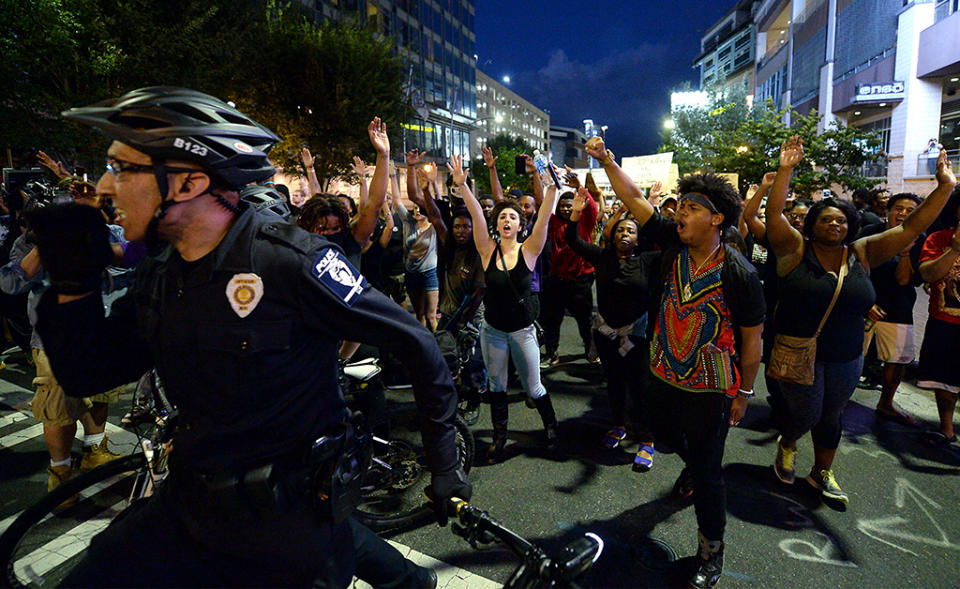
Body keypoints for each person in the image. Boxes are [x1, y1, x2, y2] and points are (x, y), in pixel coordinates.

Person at [33, 87, 469, 587]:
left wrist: (445, 465)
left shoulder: (292, 260)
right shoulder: (162, 272)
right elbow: (92, 371)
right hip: (191, 507)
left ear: (191, 182)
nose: (106, 186)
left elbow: (417, 341)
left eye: (122, 168)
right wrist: (72, 285)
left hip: (289, 533)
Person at [586, 136, 764, 589]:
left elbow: (752, 339)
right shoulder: (671, 246)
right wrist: (606, 158)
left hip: (711, 391)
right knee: (662, 436)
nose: (679, 213)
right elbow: (630, 197)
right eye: (679, 205)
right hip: (662, 374)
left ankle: (711, 555)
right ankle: (697, 461)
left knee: (708, 476)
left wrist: (743, 392)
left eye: (690, 207)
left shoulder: (738, 272)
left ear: (717, 219)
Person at [766, 137, 956, 505]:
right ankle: (788, 442)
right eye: (826, 219)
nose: (834, 224)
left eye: (841, 220)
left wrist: (945, 186)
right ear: (812, 225)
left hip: (847, 353)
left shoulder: (862, 253)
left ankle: (822, 472)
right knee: (806, 412)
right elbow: (774, 216)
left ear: (850, 225)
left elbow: (913, 228)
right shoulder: (794, 251)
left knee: (832, 413)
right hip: (798, 348)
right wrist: (785, 171)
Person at [0, 179, 127, 505]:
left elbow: (125, 252)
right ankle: (60, 474)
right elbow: (12, 283)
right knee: (59, 409)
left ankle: (96, 450)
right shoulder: (26, 243)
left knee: (100, 395)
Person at [447, 153, 561, 462]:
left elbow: (547, 215)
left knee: (533, 386)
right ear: (496, 225)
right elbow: (475, 213)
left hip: (523, 332)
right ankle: (499, 439)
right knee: (496, 386)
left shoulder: (531, 249)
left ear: (521, 225)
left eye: (512, 217)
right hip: (493, 331)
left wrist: (551, 187)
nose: (506, 220)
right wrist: (463, 186)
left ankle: (551, 429)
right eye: (502, 218)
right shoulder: (487, 249)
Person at [564, 182, 658, 472]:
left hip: (637, 336)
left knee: (640, 387)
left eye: (630, 230)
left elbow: (668, 240)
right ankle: (619, 425)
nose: (624, 233)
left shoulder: (649, 261)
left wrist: (649, 206)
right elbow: (573, 240)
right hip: (606, 335)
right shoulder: (603, 257)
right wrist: (576, 214)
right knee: (614, 383)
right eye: (620, 230)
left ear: (639, 239)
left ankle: (647, 440)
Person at [857, 193, 925, 426]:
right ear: (888, 210)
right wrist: (865, 303)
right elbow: (856, 268)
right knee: (850, 354)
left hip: (898, 307)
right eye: (899, 208)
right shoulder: (870, 232)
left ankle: (886, 404)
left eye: (911, 210)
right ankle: (835, 401)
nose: (904, 214)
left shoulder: (919, 238)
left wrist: (905, 251)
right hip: (864, 305)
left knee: (897, 361)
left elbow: (905, 280)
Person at [916, 189, 960, 447]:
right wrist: (954, 250)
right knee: (943, 381)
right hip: (945, 323)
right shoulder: (939, 239)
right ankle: (946, 428)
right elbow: (928, 275)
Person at [540, 187, 598, 367]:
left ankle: (591, 351)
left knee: (585, 320)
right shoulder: (553, 222)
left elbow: (593, 209)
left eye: (569, 206)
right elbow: (541, 204)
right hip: (556, 280)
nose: (566, 209)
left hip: (579, 281)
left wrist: (581, 190)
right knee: (552, 320)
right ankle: (551, 353)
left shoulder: (584, 222)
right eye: (562, 206)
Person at [402, 150, 440, 331]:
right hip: (412, 273)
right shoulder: (412, 223)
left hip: (431, 272)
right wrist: (410, 167)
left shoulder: (436, 222)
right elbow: (413, 196)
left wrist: (432, 186)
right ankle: (424, 351)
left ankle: (440, 351)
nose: (418, 210)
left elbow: (437, 204)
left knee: (432, 316)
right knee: (420, 316)